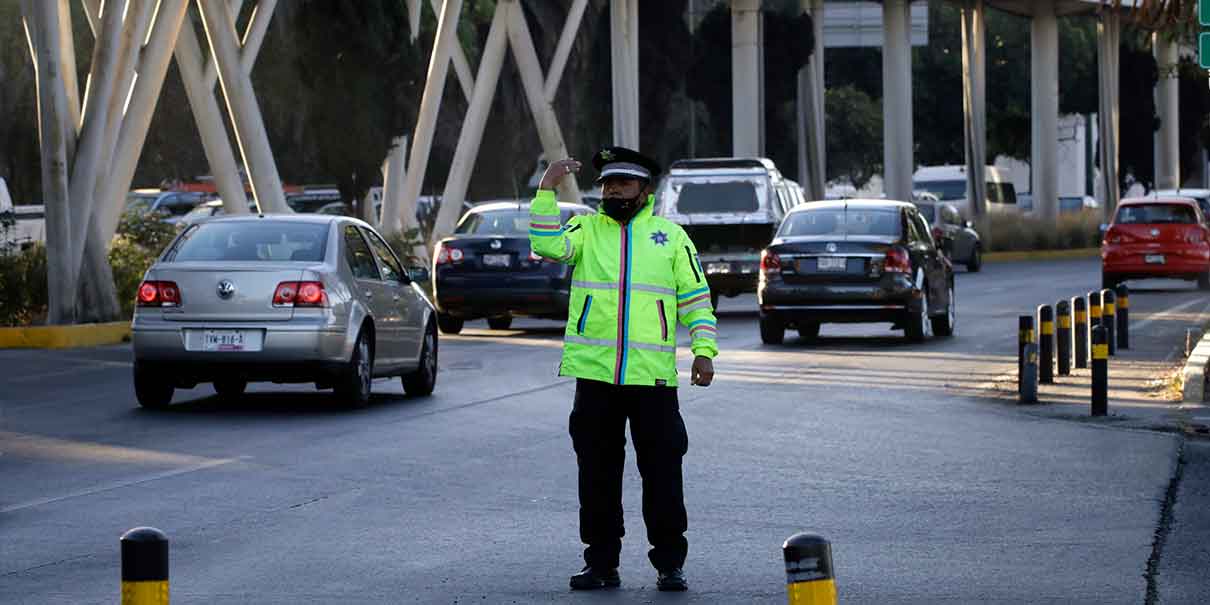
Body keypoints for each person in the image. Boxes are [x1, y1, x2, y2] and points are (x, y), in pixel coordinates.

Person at [528, 147, 718, 592]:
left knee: (663, 474)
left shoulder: (670, 237)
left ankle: (670, 562)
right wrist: (545, 191)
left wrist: (704, 350)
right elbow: (547, 245)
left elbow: (696, 299)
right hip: (595, 379)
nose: (613, 190)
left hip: (653, 380)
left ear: (644, 190)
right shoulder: (586, 229)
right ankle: (601, 563)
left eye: (623, 183)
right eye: (608, 184)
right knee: (596, 475)